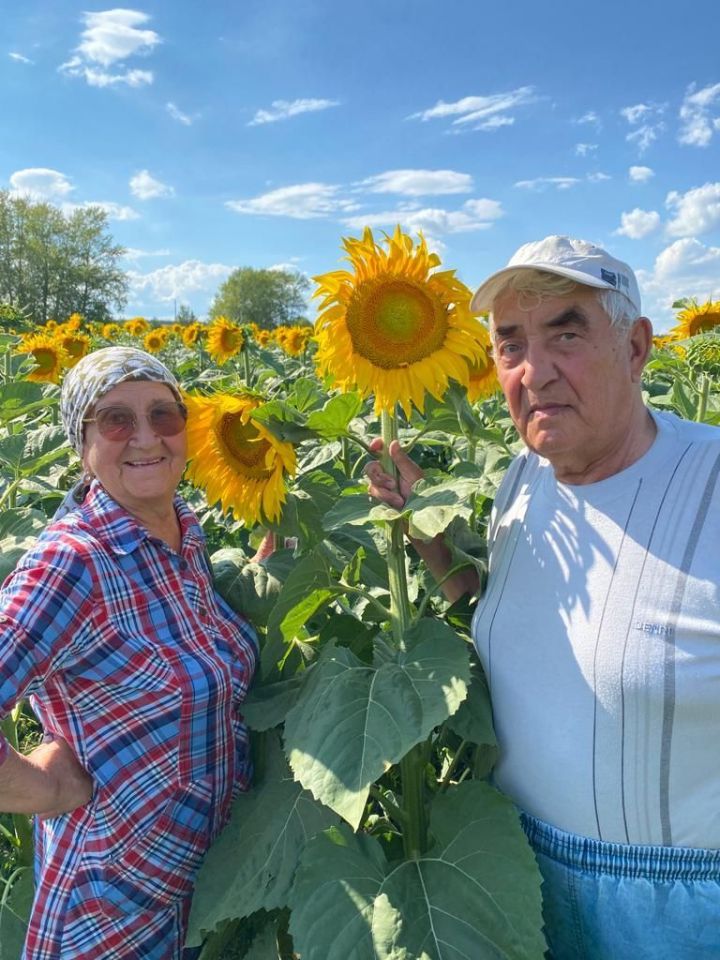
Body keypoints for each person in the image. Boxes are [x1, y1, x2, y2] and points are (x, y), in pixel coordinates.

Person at [366, 236, 720, 959]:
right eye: (510, 344)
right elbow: (506, 616)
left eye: (567, 332)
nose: (536, 371)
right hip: (515, 879)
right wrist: (431, 541)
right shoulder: (521, 483)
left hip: (681, 914)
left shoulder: (710, 482)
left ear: (637, 347)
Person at [0, 347, 258, 960]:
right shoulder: (74, 562)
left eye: (164, 416)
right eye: (116, 420)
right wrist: (44, 790)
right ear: (81, 443)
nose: (146, 438)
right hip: (114, 907)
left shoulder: (183, 535)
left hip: (207, 893)